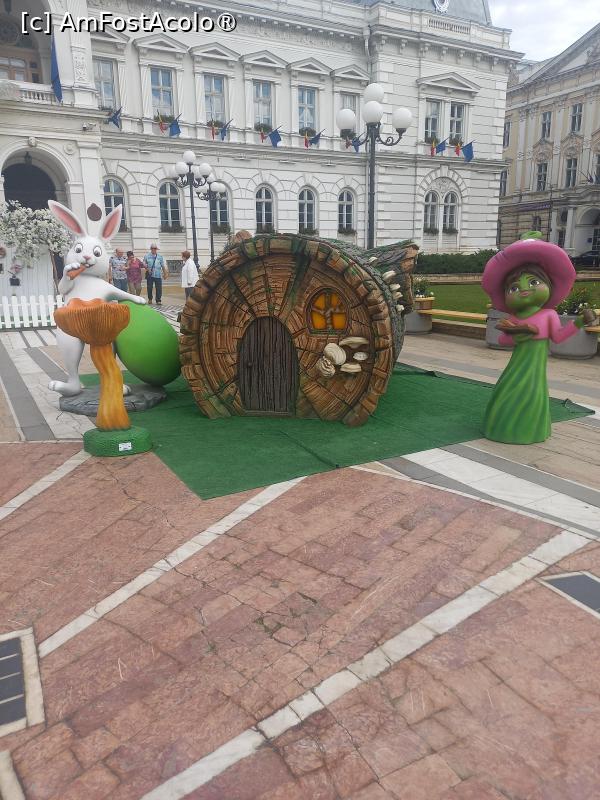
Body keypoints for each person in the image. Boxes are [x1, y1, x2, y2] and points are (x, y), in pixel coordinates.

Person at [481, 236, 590, 444]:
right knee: (508, 390)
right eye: (513, 288)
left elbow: (558, 337)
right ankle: (500, 426)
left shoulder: (548, 314)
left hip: (535, 370)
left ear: (548, 285)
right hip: (517, 367)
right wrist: (517, 334)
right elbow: (503, 340)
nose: (524, 290)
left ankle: (531, 429)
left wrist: (579, 322)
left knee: (533, 393)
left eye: (533, 282)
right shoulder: (515, 317)